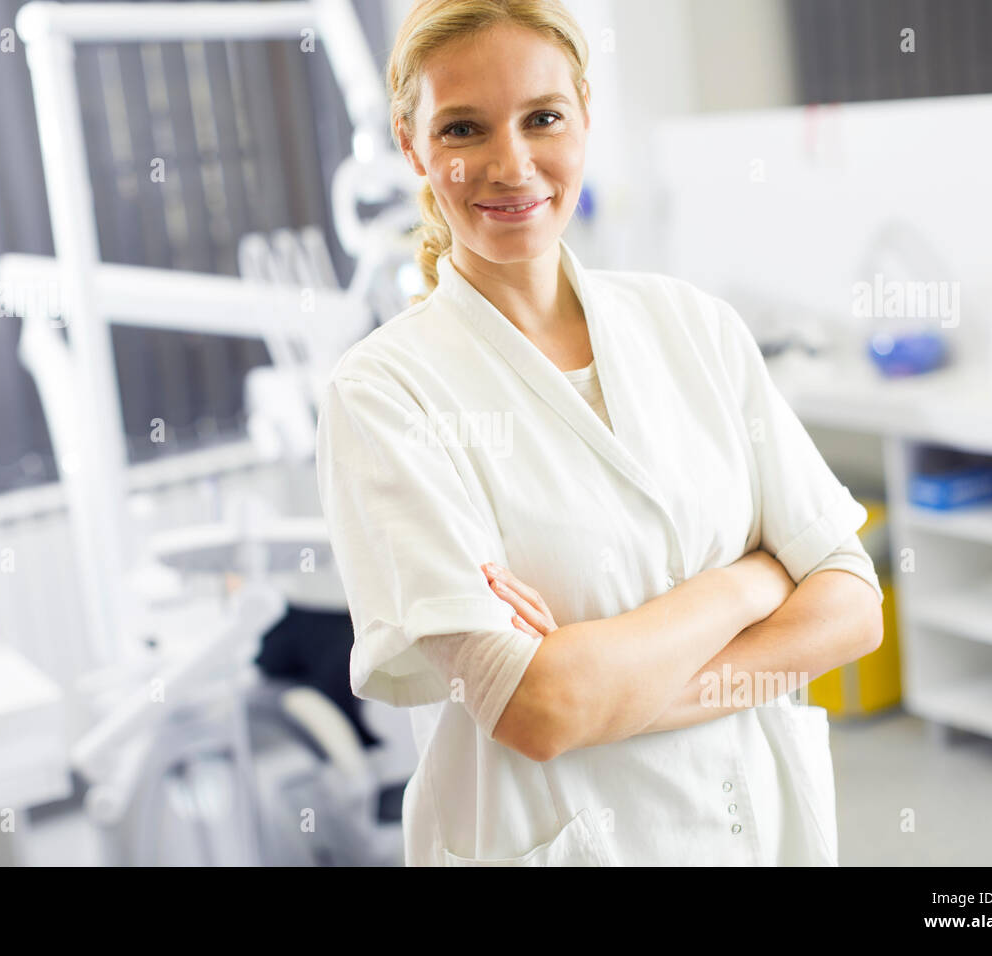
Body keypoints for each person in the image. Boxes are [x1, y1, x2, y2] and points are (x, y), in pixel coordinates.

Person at [315, 0, 884, 866]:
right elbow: (540, 714)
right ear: (411, 146)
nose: (512, 165)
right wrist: (751, 581)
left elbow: (851, 607)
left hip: (763, 833)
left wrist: (606, 687)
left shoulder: (694, 325)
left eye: (542, 117)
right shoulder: (385, 396)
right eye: (464, 128)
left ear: (584, 113)